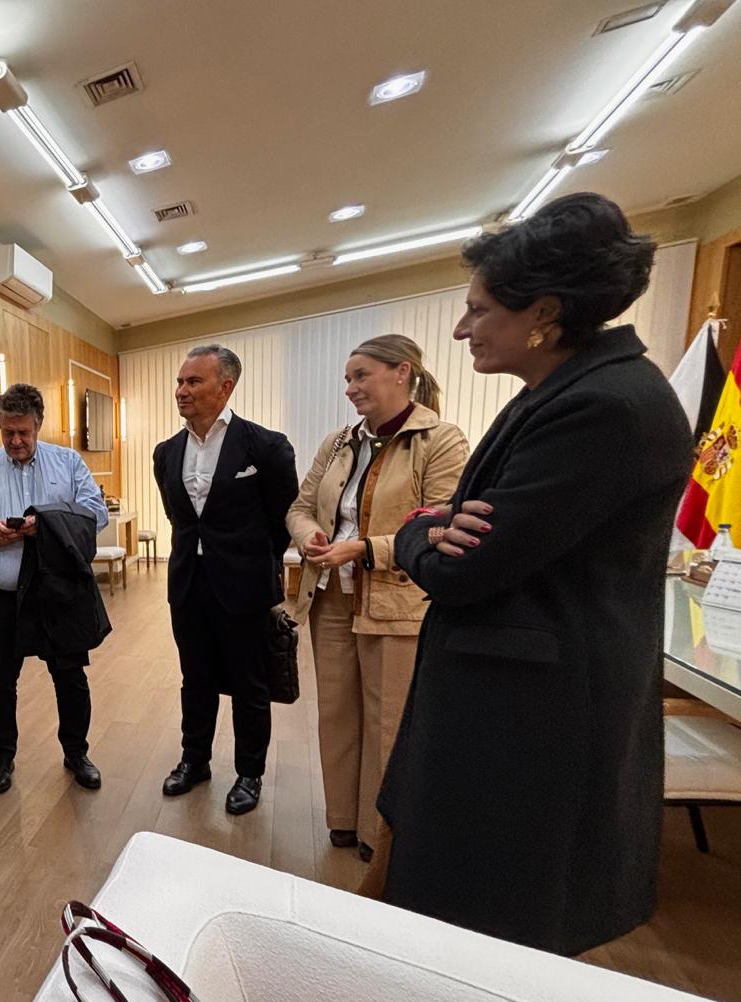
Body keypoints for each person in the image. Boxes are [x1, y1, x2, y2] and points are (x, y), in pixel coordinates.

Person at [373, 193, 689, 955]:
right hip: (513, 697)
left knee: (496, 930)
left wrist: (414, 529)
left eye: (479, 310)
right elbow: (463, 528)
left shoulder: (606, 407)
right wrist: (437, 527)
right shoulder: (571, 390)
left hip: (535, 722)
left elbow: (463, 568)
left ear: (543, 313)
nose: (462, 329)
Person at [286, 337, 469, 862]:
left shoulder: (440, 440)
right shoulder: (338, 442)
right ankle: (343, 820)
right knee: (337, 716)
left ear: (401, 372)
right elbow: (299, 507)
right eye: (347, 379)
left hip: (394, 603)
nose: (350, 388)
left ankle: (378, 832)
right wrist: (309, 536)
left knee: (387, 720)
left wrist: (364, 549)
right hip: (329, 598)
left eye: (361, 375)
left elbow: (442, 525)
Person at [153, 345, 298, 814]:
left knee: (249, 683)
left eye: (193, 381)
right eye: (180, 381)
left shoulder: (265, 447)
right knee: (194, 678)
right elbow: (179, 517)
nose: (182, 390)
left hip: (244, 586)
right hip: (187, 583)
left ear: (225, 386)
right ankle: (194, 761)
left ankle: (249, 773)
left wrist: (251, 562)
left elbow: (282, 520)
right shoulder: (166, 453)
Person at [0, 382, 110, 793]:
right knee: (0, 681)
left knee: (70, 677)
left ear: (39, 425)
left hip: (59, 594)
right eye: (7, 432)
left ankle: (76, 753)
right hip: (3, 598)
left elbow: (95, 515)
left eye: (23, 432)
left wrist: (47, 525)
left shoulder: (69, 463)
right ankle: (3, 757)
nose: (15, 441)